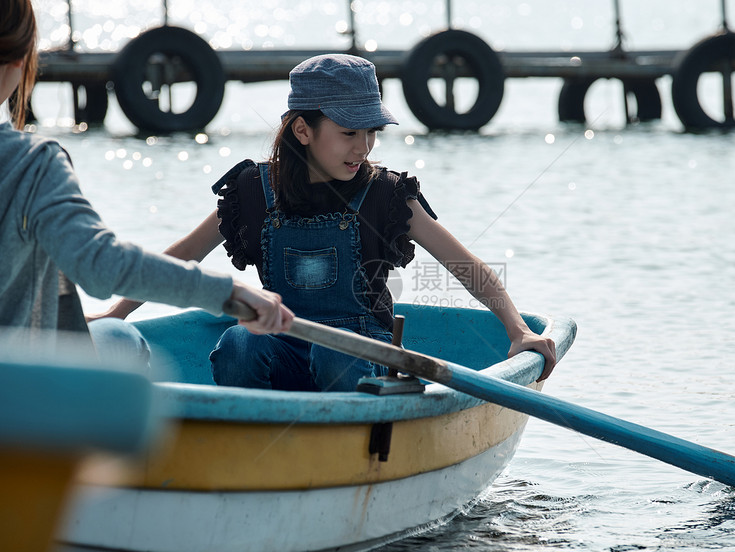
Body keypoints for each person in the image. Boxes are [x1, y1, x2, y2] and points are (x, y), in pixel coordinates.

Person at [92, 52, 557, 391]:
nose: (364, 147)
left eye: (372, 132)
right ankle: (251, 436)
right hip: (283, 344)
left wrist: (518, 330)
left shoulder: (386, 195)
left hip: (363, 359)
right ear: (303, 130)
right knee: (238, 341)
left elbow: (465, 265)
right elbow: (180, 260)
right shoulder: (253, 193)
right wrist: (117, 313)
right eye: (349, 133)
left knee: (337, 347)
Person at [0, 0, 293, 358]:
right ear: (20, 57)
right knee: (121, 339)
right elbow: (99, 266)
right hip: (19, 384)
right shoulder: (33, 162)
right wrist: (227, 292)